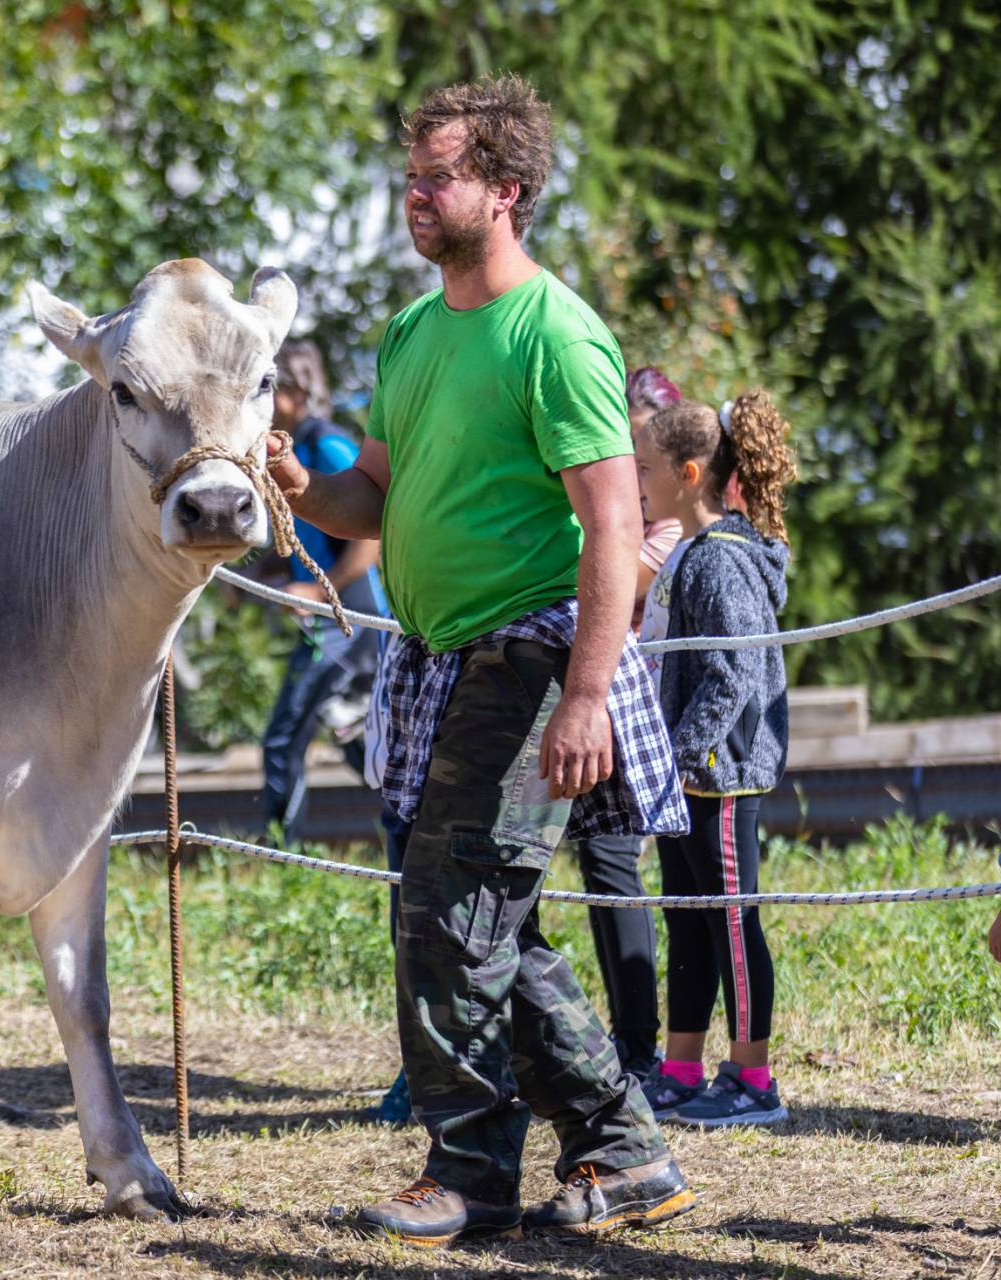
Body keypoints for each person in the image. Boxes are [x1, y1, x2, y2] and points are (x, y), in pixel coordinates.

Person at [268, 75, 694, 1244]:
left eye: (439, 175)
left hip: (532, 654)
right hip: (438, 662)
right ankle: (624, 1149)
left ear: (505, 190)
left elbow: (612, 526)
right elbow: (377, 495)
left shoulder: (557, 333)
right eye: (410, 174)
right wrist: (303, 485)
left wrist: (591, 693)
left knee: (452, 913)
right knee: (488, 921)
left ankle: (471, 1170)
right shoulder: (411, 332)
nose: (415, 194)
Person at [635, 393, 796, 1127]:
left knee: (733, 923)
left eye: (645, 467)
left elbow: (733, 672)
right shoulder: (693, 555)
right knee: (689, 922)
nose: (636, 479)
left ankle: (753, 1078)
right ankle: (681, 1067)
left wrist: (679, 752)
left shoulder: (721, 562)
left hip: (720, 776)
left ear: (689, 473)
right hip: (686, 778)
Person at [567, 364, 686, 1085]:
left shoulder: (666, 525)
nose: (629, 467)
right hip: (575, 688)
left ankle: (638, 1047)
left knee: (614, 866)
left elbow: (620, 579)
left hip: (629, 709)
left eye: (639, 452)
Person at [258, 338, 386, 841]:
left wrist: (317, 592)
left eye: (267, 388)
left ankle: (277, 853)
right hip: (328, 619)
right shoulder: (286, 451)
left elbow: (366, 544)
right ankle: (409, 819)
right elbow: (303, 540)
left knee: (283, 735)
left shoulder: (326, 445)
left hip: (348, 619)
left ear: (293, 392)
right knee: (348, 730)